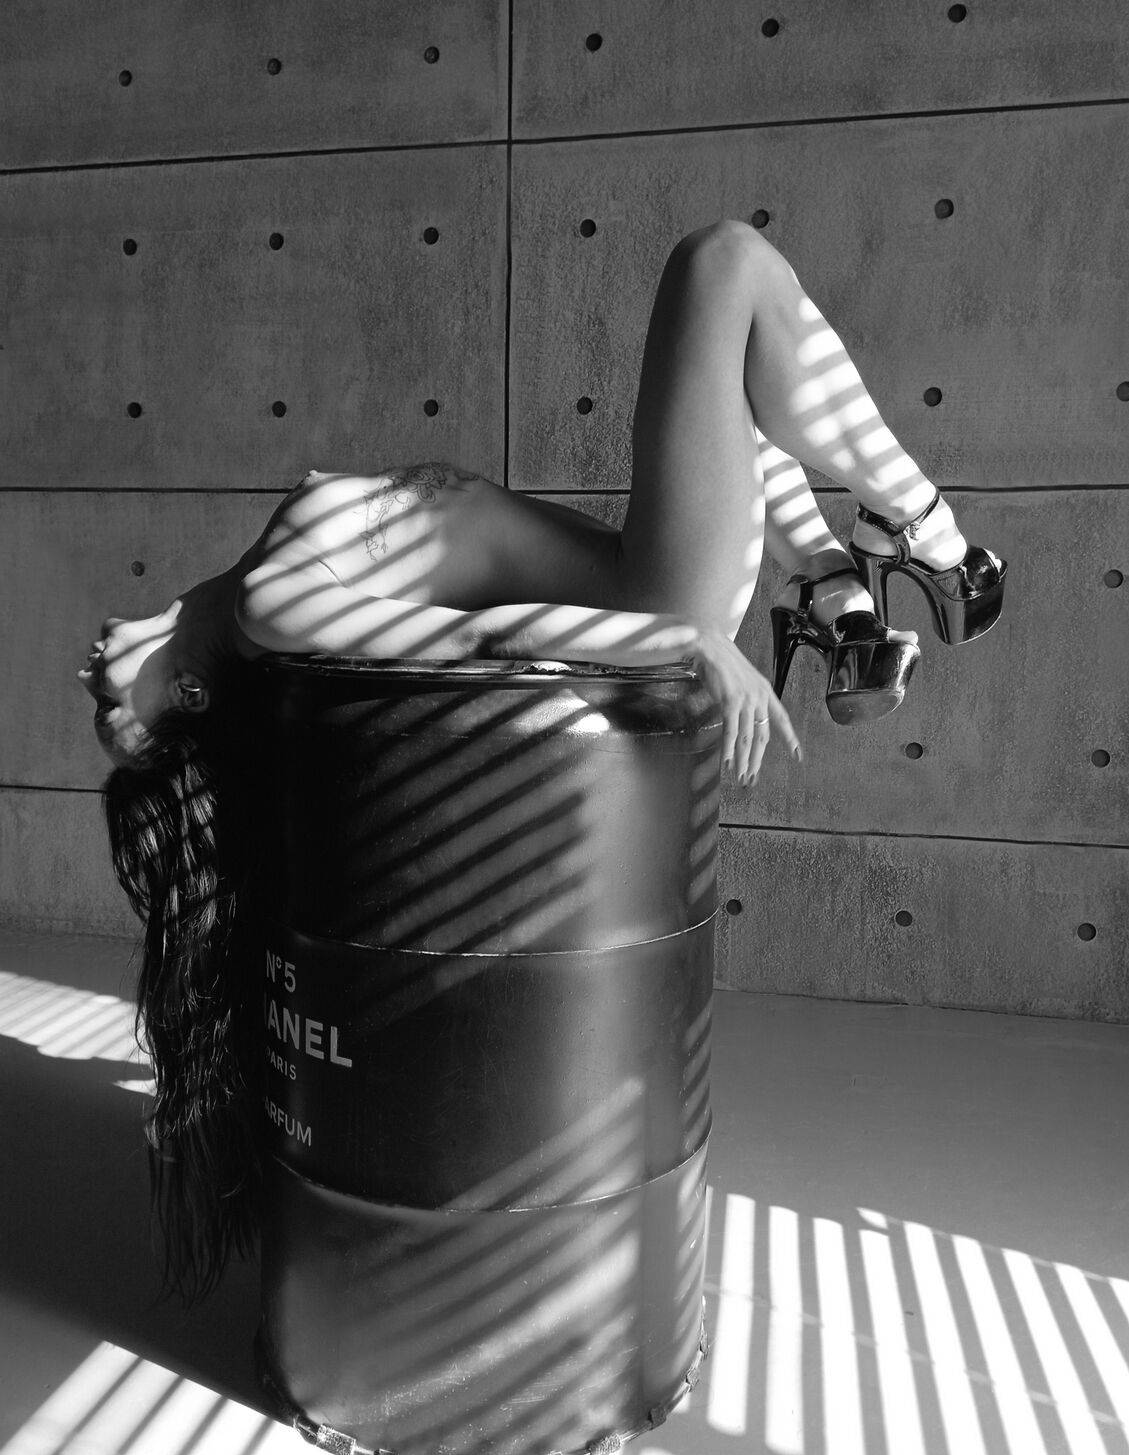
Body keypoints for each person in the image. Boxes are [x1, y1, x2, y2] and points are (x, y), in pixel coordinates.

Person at [77, 220, 1006, 1300]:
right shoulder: (270, 608)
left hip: (636, 562)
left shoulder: (261, 578)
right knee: (724, 267)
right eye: (112, 705)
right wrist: (680, 638)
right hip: (657, 597)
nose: (91, 670)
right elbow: (479, 638)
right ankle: (935, 550)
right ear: (189, 696)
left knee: (742, 364)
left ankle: (840, 600)